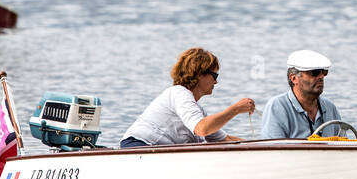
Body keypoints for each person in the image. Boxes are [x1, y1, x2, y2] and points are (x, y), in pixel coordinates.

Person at [119, 48, 255, 147]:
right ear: (199, 74)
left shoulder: (196, 109)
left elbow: (224, 140)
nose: (216, 82)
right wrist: (235, 109)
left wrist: (263, 145)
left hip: (152, 150)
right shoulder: (179, 93)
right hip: (138, 145)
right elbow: (202, 129)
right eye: (214, 76)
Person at [259, 50, 343, 140]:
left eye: (324, 72)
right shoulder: (277, 106)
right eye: (315, 72)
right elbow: (274, 149)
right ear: (294, 78)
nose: (321, 76)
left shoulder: (330, 107)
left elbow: (343, 144)